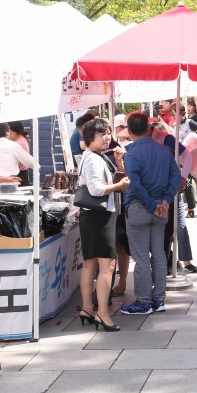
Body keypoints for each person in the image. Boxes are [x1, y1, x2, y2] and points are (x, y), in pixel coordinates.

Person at [119, 112, 182, 315]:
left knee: (141, 257)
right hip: (160, 208)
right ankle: (159, 299)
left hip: (140, 208)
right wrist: (165, 200)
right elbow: (176, 177)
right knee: (159, 254)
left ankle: (143, 301)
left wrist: (150, 203)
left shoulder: (132, 154)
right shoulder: (164, 152)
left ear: (128, 132)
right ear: (149, 128)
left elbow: (135, 184)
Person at [76, 118, 128, 332]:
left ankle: (88, 308)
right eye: (101, 134)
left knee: (90, 264)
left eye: (108, 133)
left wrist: (119, 164)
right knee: (107, 267)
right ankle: (103, 313)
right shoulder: (93, 159)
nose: (107, 137)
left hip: (93, 216)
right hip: (99, 217)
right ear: (90, 138)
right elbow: (97, 189)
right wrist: (119, 185)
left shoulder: (94, 157)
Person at [111, 115, 132, 297]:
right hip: (104, 206)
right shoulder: (92, 155)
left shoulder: (121, 150)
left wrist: (119, 163)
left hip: (120, 204)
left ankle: (123, 281)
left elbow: (126, 178)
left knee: (122, 246)